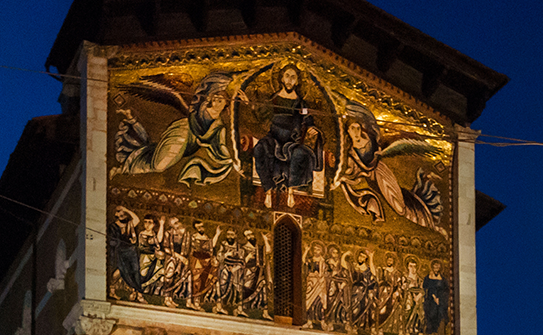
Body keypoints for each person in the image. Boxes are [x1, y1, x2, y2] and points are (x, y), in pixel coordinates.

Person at [334, 105, 445, 234]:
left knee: (399, 207)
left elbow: (375, 127)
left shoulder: (370, 140)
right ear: (348, 130)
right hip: (371, 179)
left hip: (381, 174)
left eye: (357, 127)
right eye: (352, 128)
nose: (356, 131)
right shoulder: (351, 151)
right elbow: (352, 170)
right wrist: (344, 178)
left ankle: (424, 220)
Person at [114, 73, 237, 185]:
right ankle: (126, 168)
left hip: (190, 146)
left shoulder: (219, 126)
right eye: (215, 98)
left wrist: (231, 161)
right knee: (159, 166)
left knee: (158, 162)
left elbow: (221, 146)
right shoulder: (199, 109)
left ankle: (126, 166)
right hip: (182, 132)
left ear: (226, 104)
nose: (216, 102)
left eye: (220, 100)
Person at [252, 64, 323, 207]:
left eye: (293, 77)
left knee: (299, 154)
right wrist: (251, 105)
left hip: (292, 140)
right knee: (260, 149)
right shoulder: (274, 99)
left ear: (297, 82)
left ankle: (291, 192)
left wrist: (312, 128)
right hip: (274, 137)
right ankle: (268, 191)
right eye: (287, 76)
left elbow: (307, 119)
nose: (290, 80)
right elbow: (261, 115)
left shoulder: (300, 103)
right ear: (282, 79)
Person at [422, 259, 450, 335]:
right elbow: (425, 287)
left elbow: (446, 290)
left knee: (438, 318)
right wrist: (433, 296)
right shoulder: (428, 277)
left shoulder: (443, 279)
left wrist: (440, 298)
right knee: (429, 317)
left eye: (438, 266)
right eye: (434, 266)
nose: (436, 268)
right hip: (430, 301)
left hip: (440, 303)